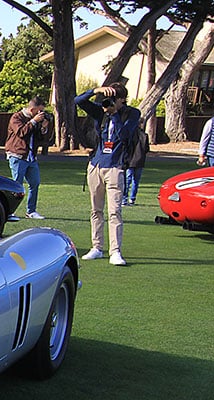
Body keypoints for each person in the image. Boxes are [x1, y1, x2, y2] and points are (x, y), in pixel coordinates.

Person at [75, 83, 140, 266]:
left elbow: (124, 135)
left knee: (115, 211)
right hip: (96, 164)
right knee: (96, 210)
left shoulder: (131, 114)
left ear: (122, 100)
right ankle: (97, 247)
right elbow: (78, 100)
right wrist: (96, 91)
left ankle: (115, 251)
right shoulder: (101, 111)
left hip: (115, 167)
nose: (109, 102)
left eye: (114, 99)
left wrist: (115, 114)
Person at [5, 96, 52, 220]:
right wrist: (34, 121)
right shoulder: (16, 117)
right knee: (16, 185)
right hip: (18, 156)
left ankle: (31, 211)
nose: (41, 114)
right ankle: (10, 211)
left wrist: (43, 128)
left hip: (31, 157)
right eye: (39, 111)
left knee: (35, 183)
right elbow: (21, 132)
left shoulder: (36, 120)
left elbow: (40, 139)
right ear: (32, 110)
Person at [124, 122, 149, 206]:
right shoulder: (144, 135)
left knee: (127, 181)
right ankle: (132, 198)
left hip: (130, 160)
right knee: (135, 181)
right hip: (140, 160)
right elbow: (146, 149)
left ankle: (124, 199)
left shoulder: (129, 134)